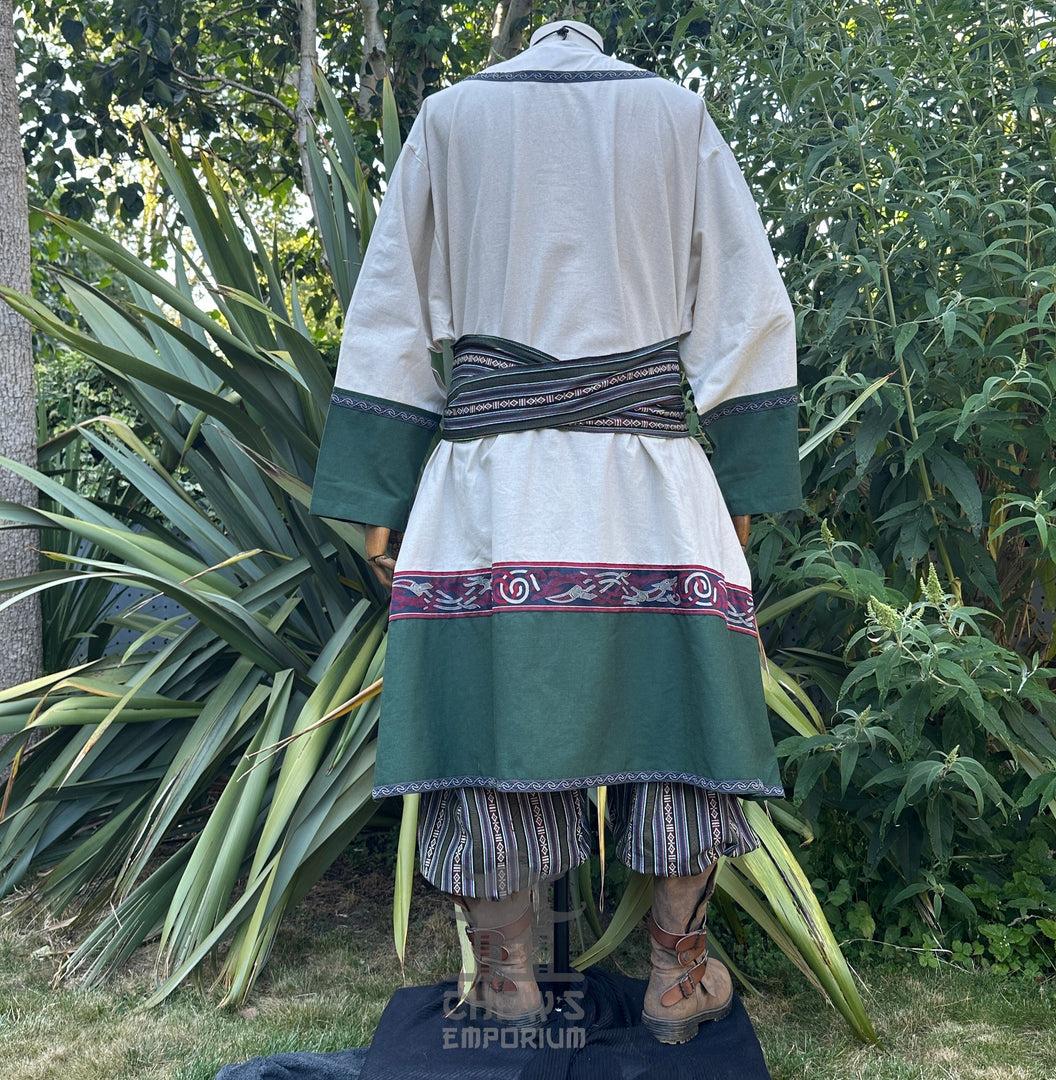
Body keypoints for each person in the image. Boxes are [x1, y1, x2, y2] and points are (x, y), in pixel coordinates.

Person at [310, 18, 800, 1044]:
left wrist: (381, 492)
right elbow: (750, 305)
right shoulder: (676, 116)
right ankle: (676, 980)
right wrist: (744, 477)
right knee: (678, 726)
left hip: (495, 486)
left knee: (494, 725)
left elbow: (391, 309)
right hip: (654, 481)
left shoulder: (449, 119)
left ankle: (507, 986)